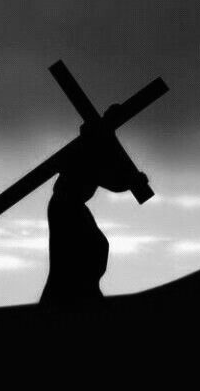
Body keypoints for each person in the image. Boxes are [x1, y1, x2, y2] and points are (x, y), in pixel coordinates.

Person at [39, 116, 148, 307]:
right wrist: (132, 182)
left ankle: (85, 292)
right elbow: (111, 180)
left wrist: (132, 182)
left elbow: (110, 178)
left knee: (94, 247)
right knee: (72, 255)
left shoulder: (93, 154)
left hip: (72, 206)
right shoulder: (84, 154)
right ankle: (69, 298)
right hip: (65, 207)